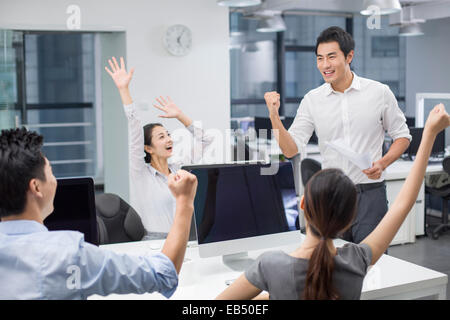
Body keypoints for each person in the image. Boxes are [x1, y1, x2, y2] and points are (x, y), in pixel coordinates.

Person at [216, 103, 450, 300]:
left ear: (303, 204)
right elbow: (403, 204)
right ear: (350, 218)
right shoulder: (357, 260)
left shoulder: (270, 266)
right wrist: (430, 133)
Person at [0, 127, 198, 299]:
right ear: (36, 187)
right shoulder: (67, 255)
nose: (55, 181)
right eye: (51, 172)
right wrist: (185, 202)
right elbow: (162, 274)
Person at [264, 26, 411, 243]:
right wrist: (274, 116)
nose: (325, 65)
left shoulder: (379, 92)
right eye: (320, 58)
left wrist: (383, 163)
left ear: (349, 56)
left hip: (370, 194)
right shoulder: (312, 100)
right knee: (333, 265)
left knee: (372, 263)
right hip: (332, 197)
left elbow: (402, 136)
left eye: (331, 57)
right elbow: (290, 149)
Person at [105, 56, 213, 239]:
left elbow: (206, 140)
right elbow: (135, 129)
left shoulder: (180, 169)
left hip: (187, 237)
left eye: (168, 135)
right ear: (148, 148)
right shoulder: (141, 173)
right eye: (161, 137)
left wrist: (180, 116)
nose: (169, 139)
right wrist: (124, 90)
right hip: (155, 240)